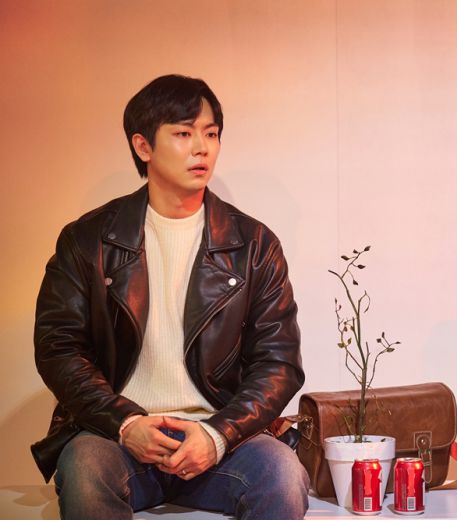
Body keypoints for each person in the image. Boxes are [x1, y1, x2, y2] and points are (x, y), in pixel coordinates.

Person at [32, 74, 309, 520]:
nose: (202, 148)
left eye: (211, 134)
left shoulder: (254, 244)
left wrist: (217, 435)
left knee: (282, 474)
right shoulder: (87, 240)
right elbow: (58, 348)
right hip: (117, 436)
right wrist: (126, 423)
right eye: (183, 134)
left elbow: (279, 363)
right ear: (143, 146)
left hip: (220, 436)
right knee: (84, 469)